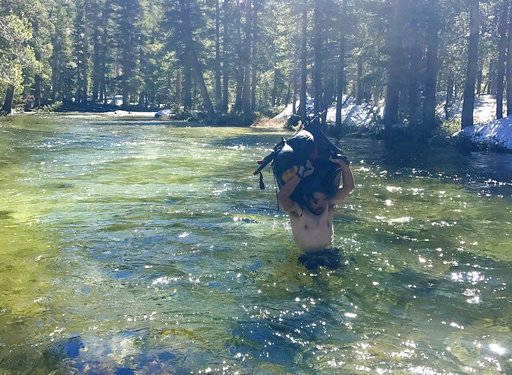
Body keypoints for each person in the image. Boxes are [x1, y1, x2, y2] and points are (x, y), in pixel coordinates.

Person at [277, 156, 354, 269]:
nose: (321, 205)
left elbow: (348, 188)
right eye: (315, 201)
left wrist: (344, 166)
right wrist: (299, 175)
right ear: (306, 198)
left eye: (324, 199)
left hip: (329, 253)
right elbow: (282, 197)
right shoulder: (298, 211)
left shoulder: (329, 206)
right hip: (307, 257)